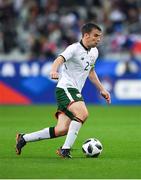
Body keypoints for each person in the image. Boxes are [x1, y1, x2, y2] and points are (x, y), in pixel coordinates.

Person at [16, 22, 111, 158]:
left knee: (62, 130)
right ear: (86, 35)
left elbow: (91, 72)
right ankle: (65, 150)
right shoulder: (73, 49)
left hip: (73, 90)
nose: (98, 39)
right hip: (66, 88)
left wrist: (102, 89)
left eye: (100, 36)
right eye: (95, 36)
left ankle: (23, 138)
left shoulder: (94, 52)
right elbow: (59, 59)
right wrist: (54, 70)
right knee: (82, 113)